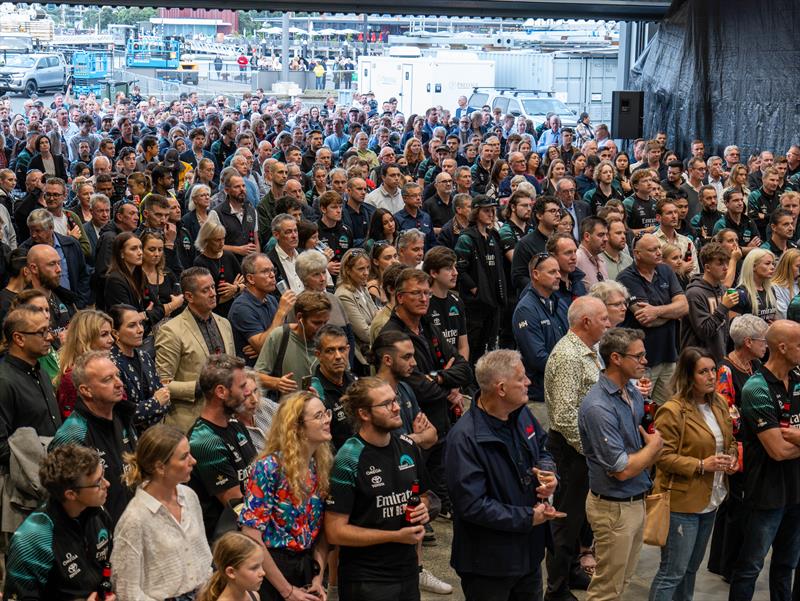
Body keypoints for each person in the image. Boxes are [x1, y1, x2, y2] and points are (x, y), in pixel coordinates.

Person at [446, 349, 561, 601]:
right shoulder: (464, 440)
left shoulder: (521, 414)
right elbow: (472, 505)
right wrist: (527, 516)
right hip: (489, 564)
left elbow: (543, 450)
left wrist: (548, 473)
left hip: (528, 554)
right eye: (521, 379)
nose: (529, 382)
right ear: (501, 388)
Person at [325, 377, 437, 601]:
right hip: (367, 579)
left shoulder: (407, 445)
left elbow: (429, 496)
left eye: (394, 400)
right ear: (364, 414)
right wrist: (395, 536)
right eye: (386, 404)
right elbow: (335, 531)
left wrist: (424, 508)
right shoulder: (348, 458)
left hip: (407, 571)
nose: (396, 407)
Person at [579, 328, 664, 601]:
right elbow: (621, 468)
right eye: (638, 356)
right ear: (615, 358)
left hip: (635, 499)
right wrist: (653, 450)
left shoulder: (630, 390)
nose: (644, 361)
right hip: (613, 508)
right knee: (606, 590)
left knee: (622, 580)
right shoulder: (598, 407)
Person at [380, 267, 472, 517]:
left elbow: (464, 367)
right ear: (400, 297)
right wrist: (446, 383)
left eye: (427, 294)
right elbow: (418, 387)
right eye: (417, 294)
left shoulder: (428, 326)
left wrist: (442, 378)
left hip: (442, 421)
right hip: (415, 421)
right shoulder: (392, 335)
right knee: (421, 499)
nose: (424, 299)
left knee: (445, 493)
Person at [648, 347, 736, 601]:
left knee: (690, 570)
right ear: (688, 375)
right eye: (703, 372)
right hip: (681, 503)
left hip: (711, 499)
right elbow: (661, 457)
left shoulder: (718, 402)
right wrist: (700, 465)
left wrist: (731, 458)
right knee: (672, 572)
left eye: (713, 370)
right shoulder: (672, 411)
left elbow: (729, 440)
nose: (711, 377)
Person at [543, 297, 610, 600]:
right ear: (586, 322)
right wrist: (592, 451)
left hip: (583, 450)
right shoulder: (569, 356)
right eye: (604, 318)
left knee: (579, 519)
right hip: (571, 450)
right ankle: (556, 590)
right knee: (565, 524)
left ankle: (571, 573)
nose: (608, 324)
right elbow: (565, 416)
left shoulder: (589, 350)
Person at [729, 320, 800, 601]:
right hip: (766, 494)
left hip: (796, 491)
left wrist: (795, 437)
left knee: (786, 565)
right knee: (750, 567)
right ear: (781, 348)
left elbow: (787, 445)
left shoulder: (797, 378)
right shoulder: (756, 388)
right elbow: (778, 451)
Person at [240, 391, 332, 601]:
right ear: (297, 427)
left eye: (326, 413)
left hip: (309, 567)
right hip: (273, 571)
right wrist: (286, 591)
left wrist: (317, 578)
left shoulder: (319, 466)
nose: (327, 419)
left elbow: (321, 532)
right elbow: (251, 535)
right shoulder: (268, 468)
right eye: (318, 416)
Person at [111, 423, 213, 600]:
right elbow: (126, 590)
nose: (193, 461)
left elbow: (203, 557)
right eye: (184, 457)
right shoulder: (135, 518)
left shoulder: (189, 496)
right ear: (160, 467)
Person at [3, 445, 112, 600]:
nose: (107, 484)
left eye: (103, 475)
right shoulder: (31, 541)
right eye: (98, 482)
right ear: (71, 494)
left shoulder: (99, 514)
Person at [707, 315, 769, 581]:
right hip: (737, 447)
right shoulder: (726, 369)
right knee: (736, 507)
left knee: (737, 506)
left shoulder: (754, 366)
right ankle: (728, 564)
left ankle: (724, 560)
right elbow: (725, 411)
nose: (766, 345)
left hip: (751, 444)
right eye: (762, 340)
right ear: (747, 342)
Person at [49, 350, 136, 524]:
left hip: (131, 522)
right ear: (86, 390)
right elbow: (69, 501)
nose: (119, 383)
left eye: (117, 375)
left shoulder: (120, 415)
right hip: (99, 534)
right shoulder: (72, 435)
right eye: (107, 380)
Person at [156, 267, 236, 433]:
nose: (213, 293)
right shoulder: (171, 330)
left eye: (213, 287)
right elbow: (162, 384)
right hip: (190, 423)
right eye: (205, 290)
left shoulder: (224, 323)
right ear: (189, 297)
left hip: (225, 416)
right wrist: (201, 387)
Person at [189, 353, 257, 541]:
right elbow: (236, 506)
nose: (248, 393)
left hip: (250, 530)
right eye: (242, 387)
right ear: (221, 392)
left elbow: (257, 477)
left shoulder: (235, 424)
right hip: (225, 543)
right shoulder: (204, 441)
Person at [617, 234, 688, 403]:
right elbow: (646, 319)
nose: (658, 253)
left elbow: (684, 307)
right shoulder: (626, 278)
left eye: (659, 248)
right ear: (637, 254)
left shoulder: (665, 270)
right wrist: (672, 312)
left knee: (668, 411)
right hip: (642, 362)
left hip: (669, 355)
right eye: (652, 249)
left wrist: (656, 311)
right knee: (642, 411)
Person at [0, 304, 62, 469]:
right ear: (19, 339)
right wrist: (39, 462)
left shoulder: (41, 372)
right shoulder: (4, 381)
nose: (49, 337)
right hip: (27, 482)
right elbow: (1, 448)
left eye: (49, 330)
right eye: (42, 332)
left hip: (55, 474)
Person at [454, 195, 507, 364]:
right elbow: (460, 269)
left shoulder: (493, 236)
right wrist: (475, 289)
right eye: (486, 210)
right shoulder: (466, 238)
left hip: (493, 301)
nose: (491, 214)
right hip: (475, 305)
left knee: (491, 344)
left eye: (492, 210)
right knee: (475, 345)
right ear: (476, 213)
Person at [513, 253, 569, 403]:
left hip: (563, 389)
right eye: (552, 272)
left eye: (558, 271)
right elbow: (537, 357)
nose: (558, 275)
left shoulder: (560, 302)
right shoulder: (525, 310)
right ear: (536, 274)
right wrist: (571, 368)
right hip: (540, 395)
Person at [108, 304, 171, 432]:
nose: (140, 330)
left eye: (141, 323)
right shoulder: (110, 364)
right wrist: (156, 402)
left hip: (154, 433)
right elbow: (123, 414)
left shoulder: (144, 356)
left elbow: (166, 400)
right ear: (115, 333)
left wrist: (156, 403)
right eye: (132, 325)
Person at [254, 290, 331, 393]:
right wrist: (277, 383)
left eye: (325, 323)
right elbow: (256, 376)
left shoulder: (330, 339)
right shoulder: (280, 336)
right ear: (299, 317)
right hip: (288, 406)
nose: (322, 328)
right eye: (316, 323)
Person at [229, 252, 296, 365]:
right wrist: (281, 312)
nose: (272, 275)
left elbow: (283, 336)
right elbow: (263, 347)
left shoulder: (271, 299)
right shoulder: (241, 307)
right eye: (265, 271)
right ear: (250, 278)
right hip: (253, 375)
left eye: (272, 270)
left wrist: (265, 346)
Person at [682, 242, 738, 362]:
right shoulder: (694, 294)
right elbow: (704, 331)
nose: (726, 268)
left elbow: (723, 328)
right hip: (697, 361)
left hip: (718, 357)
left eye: (726, 263)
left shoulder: (722, 290)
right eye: (720, 264)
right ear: (707, 267)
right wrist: (723, 307)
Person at [54, 309, 115, 419]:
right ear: (86, 338)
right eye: (104, 334)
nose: (111, 340)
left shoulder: (110, 366)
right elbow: (73, 427)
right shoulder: (71, 378)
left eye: (111, 333)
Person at [309, 325, 356, 451]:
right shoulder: (313, 393)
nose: (338, 356)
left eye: (342, 349)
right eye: (330, 350)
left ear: (348, 349)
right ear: (318, 355)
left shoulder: (356, 382)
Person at [335, 248, 378, 372]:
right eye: (361, 269)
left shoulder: (362, 287)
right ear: (348, 270)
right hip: (362, 359)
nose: (366, 273)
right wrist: (380, 324)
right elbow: (365, 334)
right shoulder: (344, 295)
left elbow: (377, 315)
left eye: (368, 268)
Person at [194, 220, 245, 318]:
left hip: (236, 309)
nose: (222, 243)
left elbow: (245, 283)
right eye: (217, 240)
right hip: (215, 314)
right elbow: (209, 298)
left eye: (223, 239)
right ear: (206, 240)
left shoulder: (228, 256)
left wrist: (235, 288)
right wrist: (235, 291)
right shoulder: (200, 262)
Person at [197, 532, 265, 601]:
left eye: (261, 565)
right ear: (231, 572)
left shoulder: (254, 596)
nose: (263, 573)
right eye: (254, 568)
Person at [731, 248, 777, 324]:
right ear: (753, 266)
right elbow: (734, 328)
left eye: (773, 264)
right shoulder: (740, 293)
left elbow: (774, 319)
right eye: (767, 263)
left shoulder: (771, 290)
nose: (772, 267)